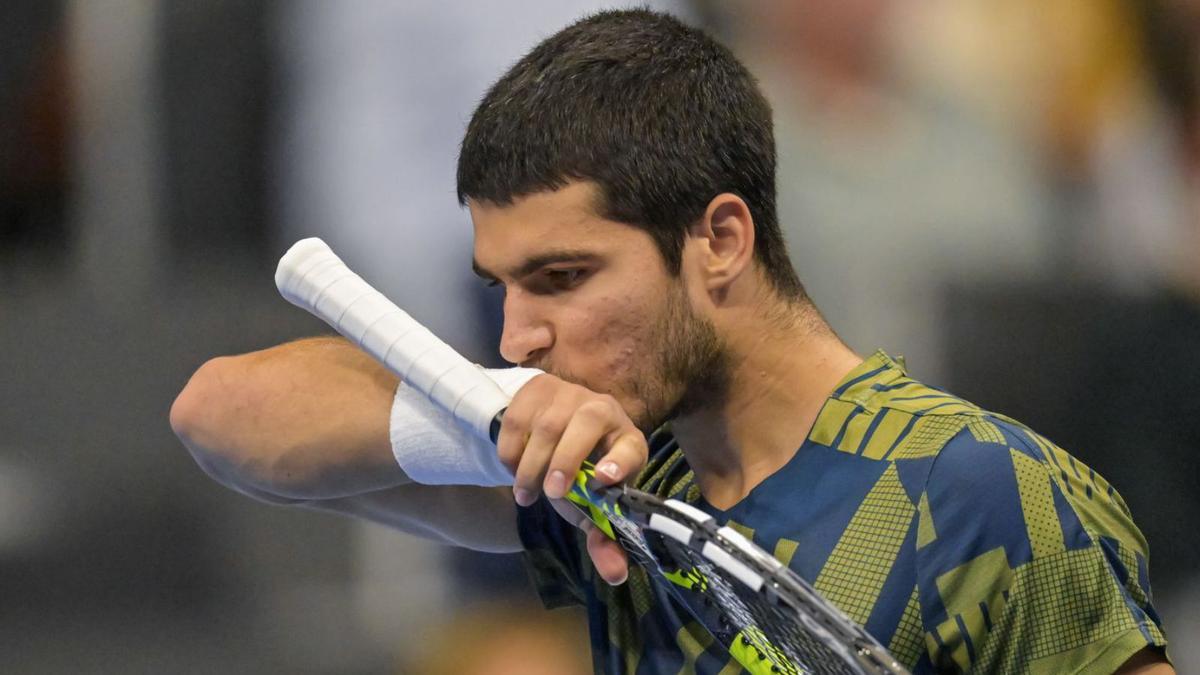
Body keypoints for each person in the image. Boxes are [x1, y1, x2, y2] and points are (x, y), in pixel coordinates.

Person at [170, 9, 1172, 674]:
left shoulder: (991, 496)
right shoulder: (615, 485)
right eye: (502, 288)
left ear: (720, 240)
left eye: (563, 279)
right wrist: (488, 426)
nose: (519, 335)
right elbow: (218, 416)